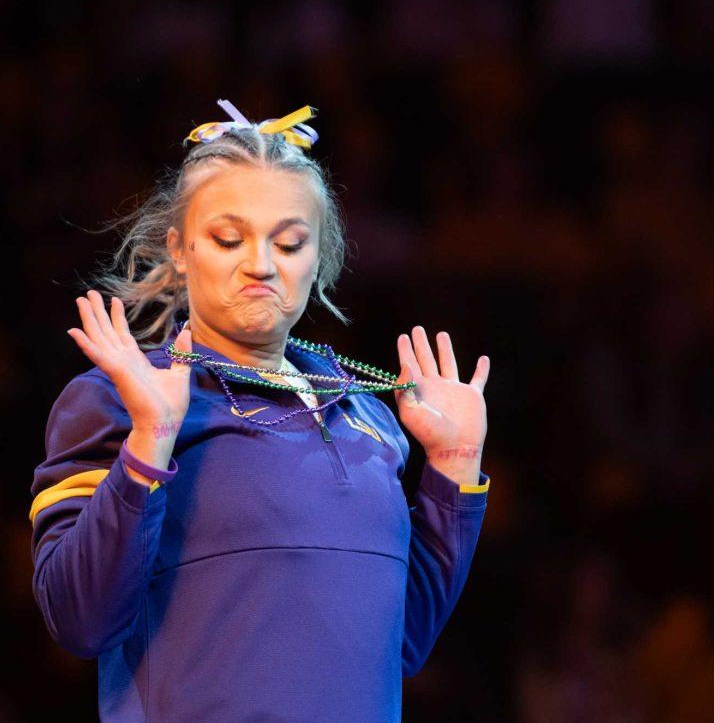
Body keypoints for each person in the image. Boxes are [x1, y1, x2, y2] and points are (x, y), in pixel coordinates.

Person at [29, 100, 492, 721]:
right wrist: (150, 441)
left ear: (320, 257)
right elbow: (79, 620)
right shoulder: (118, 399)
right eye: (228, 238)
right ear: (181, 249)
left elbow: (399, 645)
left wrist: (453, 469)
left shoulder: (368, 418)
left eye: (291, 242)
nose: (261, 265)